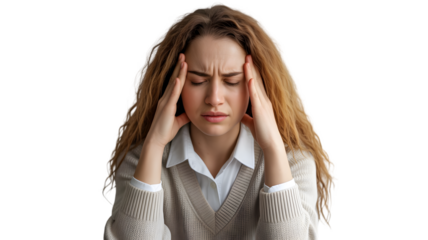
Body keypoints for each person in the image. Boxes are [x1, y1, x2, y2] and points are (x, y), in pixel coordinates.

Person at [101, 1, 338, 239]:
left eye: (232, 81)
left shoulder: (294, 163)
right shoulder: (138, 162)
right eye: (197, 81)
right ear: (175, 85)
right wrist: (153, 146)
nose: (214, 99)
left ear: (259, 86)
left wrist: (273, 149)